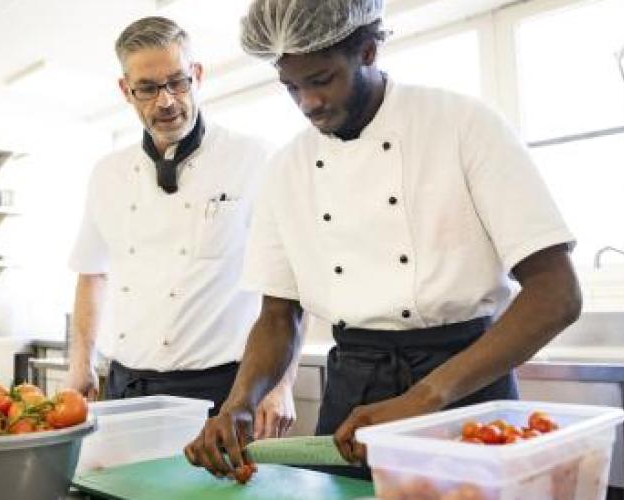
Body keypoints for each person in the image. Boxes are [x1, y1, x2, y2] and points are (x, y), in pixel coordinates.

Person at [185, 0, 582, 477]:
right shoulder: (286, 168)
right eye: (291, 87)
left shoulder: (464, 124)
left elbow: (557, 293)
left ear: (369, 52)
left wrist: (423, 397)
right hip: (354, 391)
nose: (307, 103)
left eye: (321, 79)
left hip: (464, 387)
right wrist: (239, 404)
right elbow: (278, 314)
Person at [65, 16, 297, 437]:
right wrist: (79, 365)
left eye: (178, 82)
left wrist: (279, 384)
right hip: (125, 389)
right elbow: (91, 274)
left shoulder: (253, 159)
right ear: (126, 91)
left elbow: (287, 282)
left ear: (198, 75)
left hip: (221, 391)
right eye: (148, 89)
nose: (167, 101)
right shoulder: (107, 173)